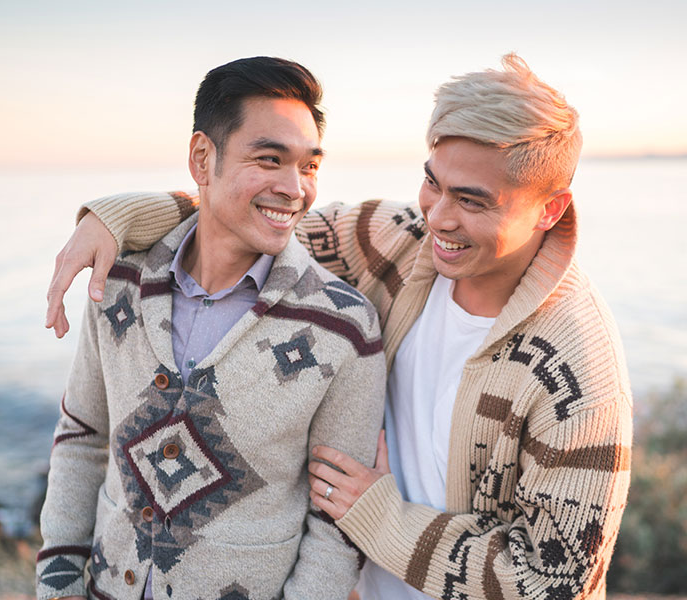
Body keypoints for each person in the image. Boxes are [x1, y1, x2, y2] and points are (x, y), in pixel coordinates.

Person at [45, 54, 632, 599]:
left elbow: (554, 582)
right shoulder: (402, 240)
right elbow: (262, 215)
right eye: (434, 182)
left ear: (550, 209)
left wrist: (380, 518)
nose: (440, 217)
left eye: (474, 202)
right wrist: (115, 219)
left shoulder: (576, 372)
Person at [36, 56, 386, 600]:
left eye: (309, 166)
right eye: (269, 159)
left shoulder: (343, 325)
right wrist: (57, 586)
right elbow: (82, 438)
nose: (295, 189)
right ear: (203, 156)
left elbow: (336, 521)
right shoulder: (120, 282)